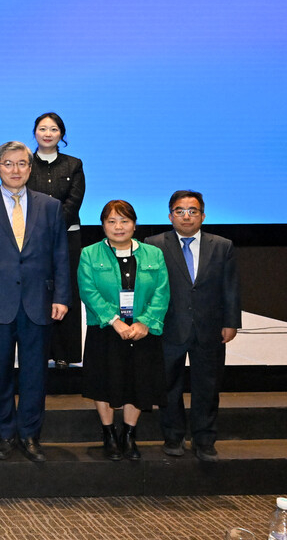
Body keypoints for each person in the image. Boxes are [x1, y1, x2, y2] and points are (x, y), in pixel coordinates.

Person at [0, 141, 70, 463]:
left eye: (22, 164)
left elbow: (60, 255)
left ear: (30, 167)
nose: (15, 170)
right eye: (8, 164)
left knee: (35, 374)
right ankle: (4, 434)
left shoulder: (50, 206)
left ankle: (30, 434)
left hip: (39, 301)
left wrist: (62, 296)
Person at [146, 190, 241, 462]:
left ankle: (205, 439)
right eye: (180, 210)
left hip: (209, 328)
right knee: (168, 385)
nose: (186, 216)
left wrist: (231, 322)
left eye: (192, 211)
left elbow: (231, 288)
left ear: (203, 215)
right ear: (170, 215)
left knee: (207, 387)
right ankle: (173, 436)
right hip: (167, 327)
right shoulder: (154, 244)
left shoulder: (222, 245)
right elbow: (148, 287)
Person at [77, 200, 169, 461]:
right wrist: (115, 321)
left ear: (134, 224)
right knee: (104, 381)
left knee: (137, 381)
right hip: (105, 330)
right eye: (111, 221)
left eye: (124, 221)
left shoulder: (154, 254)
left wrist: (145, 323)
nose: (118, 227)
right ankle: (108, 434)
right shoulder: (89, 254)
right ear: (103, 225)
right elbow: (89, 292)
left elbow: (161, 293)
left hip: (142, 331)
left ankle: (129, 434)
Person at [27, 112, 86, 368]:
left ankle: (67, 353)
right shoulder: (25, 163)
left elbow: (74, 201)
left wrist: (53, 226)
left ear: (61, 134)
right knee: (38, 292)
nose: (48, 133)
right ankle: (42, 350)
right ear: (35, 133)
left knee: (66, 290)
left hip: (67, 236)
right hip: (33, 238)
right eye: (42, 128)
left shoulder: (74, 164)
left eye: (53, 129)